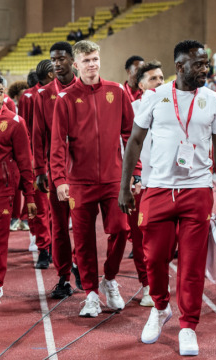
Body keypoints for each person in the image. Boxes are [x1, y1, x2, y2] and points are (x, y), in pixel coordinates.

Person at [119, 40, 216, 356]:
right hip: (158, 189)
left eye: (207, 64)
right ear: (180, 66)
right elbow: (134, 143)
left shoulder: (214, 101)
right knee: (154, 258)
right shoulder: (155, 97)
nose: (205, 69)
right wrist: (125, 187)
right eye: (199, 64)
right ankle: (160, 308)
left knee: (191, 265)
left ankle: (188, 326)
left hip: (198, 189)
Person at [50, 40, 137, 317]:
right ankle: (89, 293)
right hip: (80, 182)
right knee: (85, 241)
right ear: (76, 65)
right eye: (86, 60)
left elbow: (131, 135)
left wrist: (135, 172)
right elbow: (57, 143)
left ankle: (109, 278)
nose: (92, 65)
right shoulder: (65, 99)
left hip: (114, 180)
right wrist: (60, 179)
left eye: (95, 59)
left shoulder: (117, 91)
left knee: (122, 229)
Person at [0, 74, 36, 315]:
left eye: (0, 92)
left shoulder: (15, 122)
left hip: (2, 192)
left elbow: (25, 161)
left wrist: (30, 196)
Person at [32, 42, 79, 298]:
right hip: (56, 170)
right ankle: (63, 277)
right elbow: (37, 135)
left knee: (83, 226)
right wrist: (40, 170)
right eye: (53, 59)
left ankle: (83, 267)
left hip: (84, 171)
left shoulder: (86, 90)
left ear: (72, 60)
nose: (57, 63)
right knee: (59, 227)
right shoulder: (43, 94)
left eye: (62, 59)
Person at [127, 60, 165, 307]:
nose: (160, 83)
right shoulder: (130, 109)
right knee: (140, 238)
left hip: (166, 183)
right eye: (153, 79)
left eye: (162, 78)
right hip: (140, 184)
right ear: (140, 85)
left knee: (165, 241)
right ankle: (147, 285)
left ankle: (162, 282)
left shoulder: (173, 108)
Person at [17, 60, 54, 268]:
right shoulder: (30, 96)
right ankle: (43, 248)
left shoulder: (63, 93)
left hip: (59, 159)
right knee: (40, 206)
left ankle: (56, 250)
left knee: (57, 210)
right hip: (36, 158)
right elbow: (25, 129)